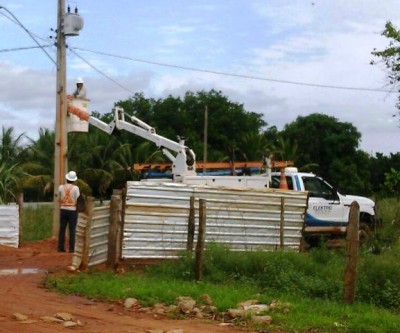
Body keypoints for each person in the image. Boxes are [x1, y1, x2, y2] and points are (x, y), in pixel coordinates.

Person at [58, 170, 80, 253]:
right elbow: (78, 200)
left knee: (62, 229)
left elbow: (59, 199)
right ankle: (71, 248)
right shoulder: (75, 188)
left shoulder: (60, 187)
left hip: (63, 209)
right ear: (74, 180)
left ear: (67, 178)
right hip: (72, 210)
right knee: (72, 229)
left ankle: (60, 247)